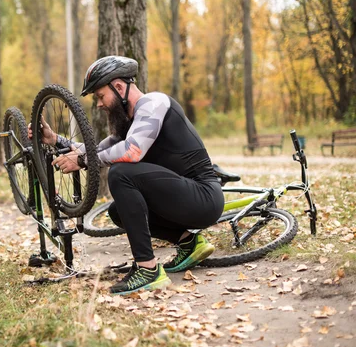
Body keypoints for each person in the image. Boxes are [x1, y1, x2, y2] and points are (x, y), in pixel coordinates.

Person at [30, 56, 224, 296]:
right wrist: (54, 139)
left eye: (100, 96)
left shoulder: (154, 103)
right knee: (117, 212)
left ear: (119, 87)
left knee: (121, 172)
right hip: (184, 199)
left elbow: (131, 152)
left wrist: (81, 161)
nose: (99, 104)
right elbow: (95, 151)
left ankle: (148, 269)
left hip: (204, 198)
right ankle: (189, 243)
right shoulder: (130, 125)